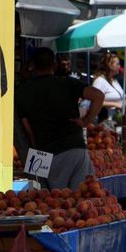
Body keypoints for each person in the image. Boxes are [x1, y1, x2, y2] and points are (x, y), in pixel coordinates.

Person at [16, 47, 104, 190]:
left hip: (45, 153)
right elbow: (99, 96)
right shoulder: (67, 83)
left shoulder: (21, 92)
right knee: (82, 199)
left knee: (53, 203)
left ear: (32, 65)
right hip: (76, 148)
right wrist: (86, 121)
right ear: (55, 65)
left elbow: (28, 130)